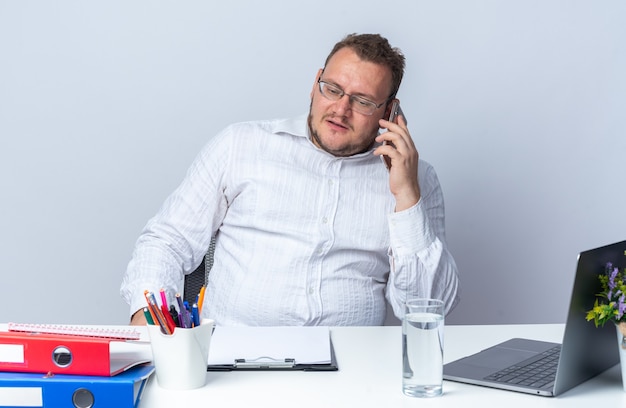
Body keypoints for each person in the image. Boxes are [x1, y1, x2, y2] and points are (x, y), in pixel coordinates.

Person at [121, 33, 459, 326]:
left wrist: (407, 198)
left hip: (353, 371)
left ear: (389, 112)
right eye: (332, 89)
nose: (340, 110)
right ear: (315, 84)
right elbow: (166, 241)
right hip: (231, 360)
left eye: (362, 101)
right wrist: (148, 321)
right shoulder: (240, 145)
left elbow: (429, 309)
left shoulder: (416, 180)